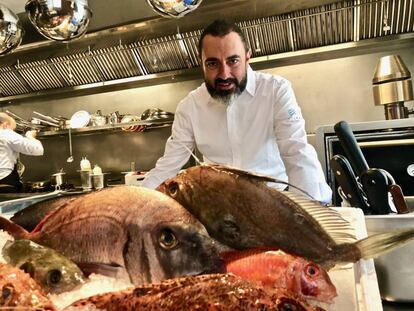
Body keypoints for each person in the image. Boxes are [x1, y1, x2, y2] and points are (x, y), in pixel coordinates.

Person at [142, 19, 332, 203]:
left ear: (248, 56)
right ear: (201, 62)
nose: (224, 74)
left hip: (273, 201)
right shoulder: (189, 107)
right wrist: (132, 202)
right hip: (219, 208)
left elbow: (296, 153)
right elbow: (168, 166)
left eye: (233, 61)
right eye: (212, 64)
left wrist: (315, 209)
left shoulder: (276, 91)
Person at [0, 112, 44, 192]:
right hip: (4, 184)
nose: (13, 132)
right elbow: (37, 149)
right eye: (13, 129)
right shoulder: (6, 133)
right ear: (5, 125)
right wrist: (30, 137)